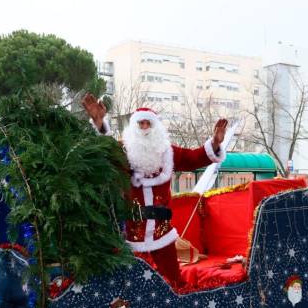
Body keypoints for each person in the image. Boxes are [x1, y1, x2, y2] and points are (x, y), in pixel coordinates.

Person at [82, 94, 227, 286]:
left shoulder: (168, 152)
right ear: (133, 128)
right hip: (132, 234)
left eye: (147, 124)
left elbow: (194, 158)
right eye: (140, 124)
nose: (144, 128)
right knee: (131, 284)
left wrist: (215, 144)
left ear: (155, 128)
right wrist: (100, 123)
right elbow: (104, 150)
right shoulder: (123, 152)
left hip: (162, 234)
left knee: (174, 282)